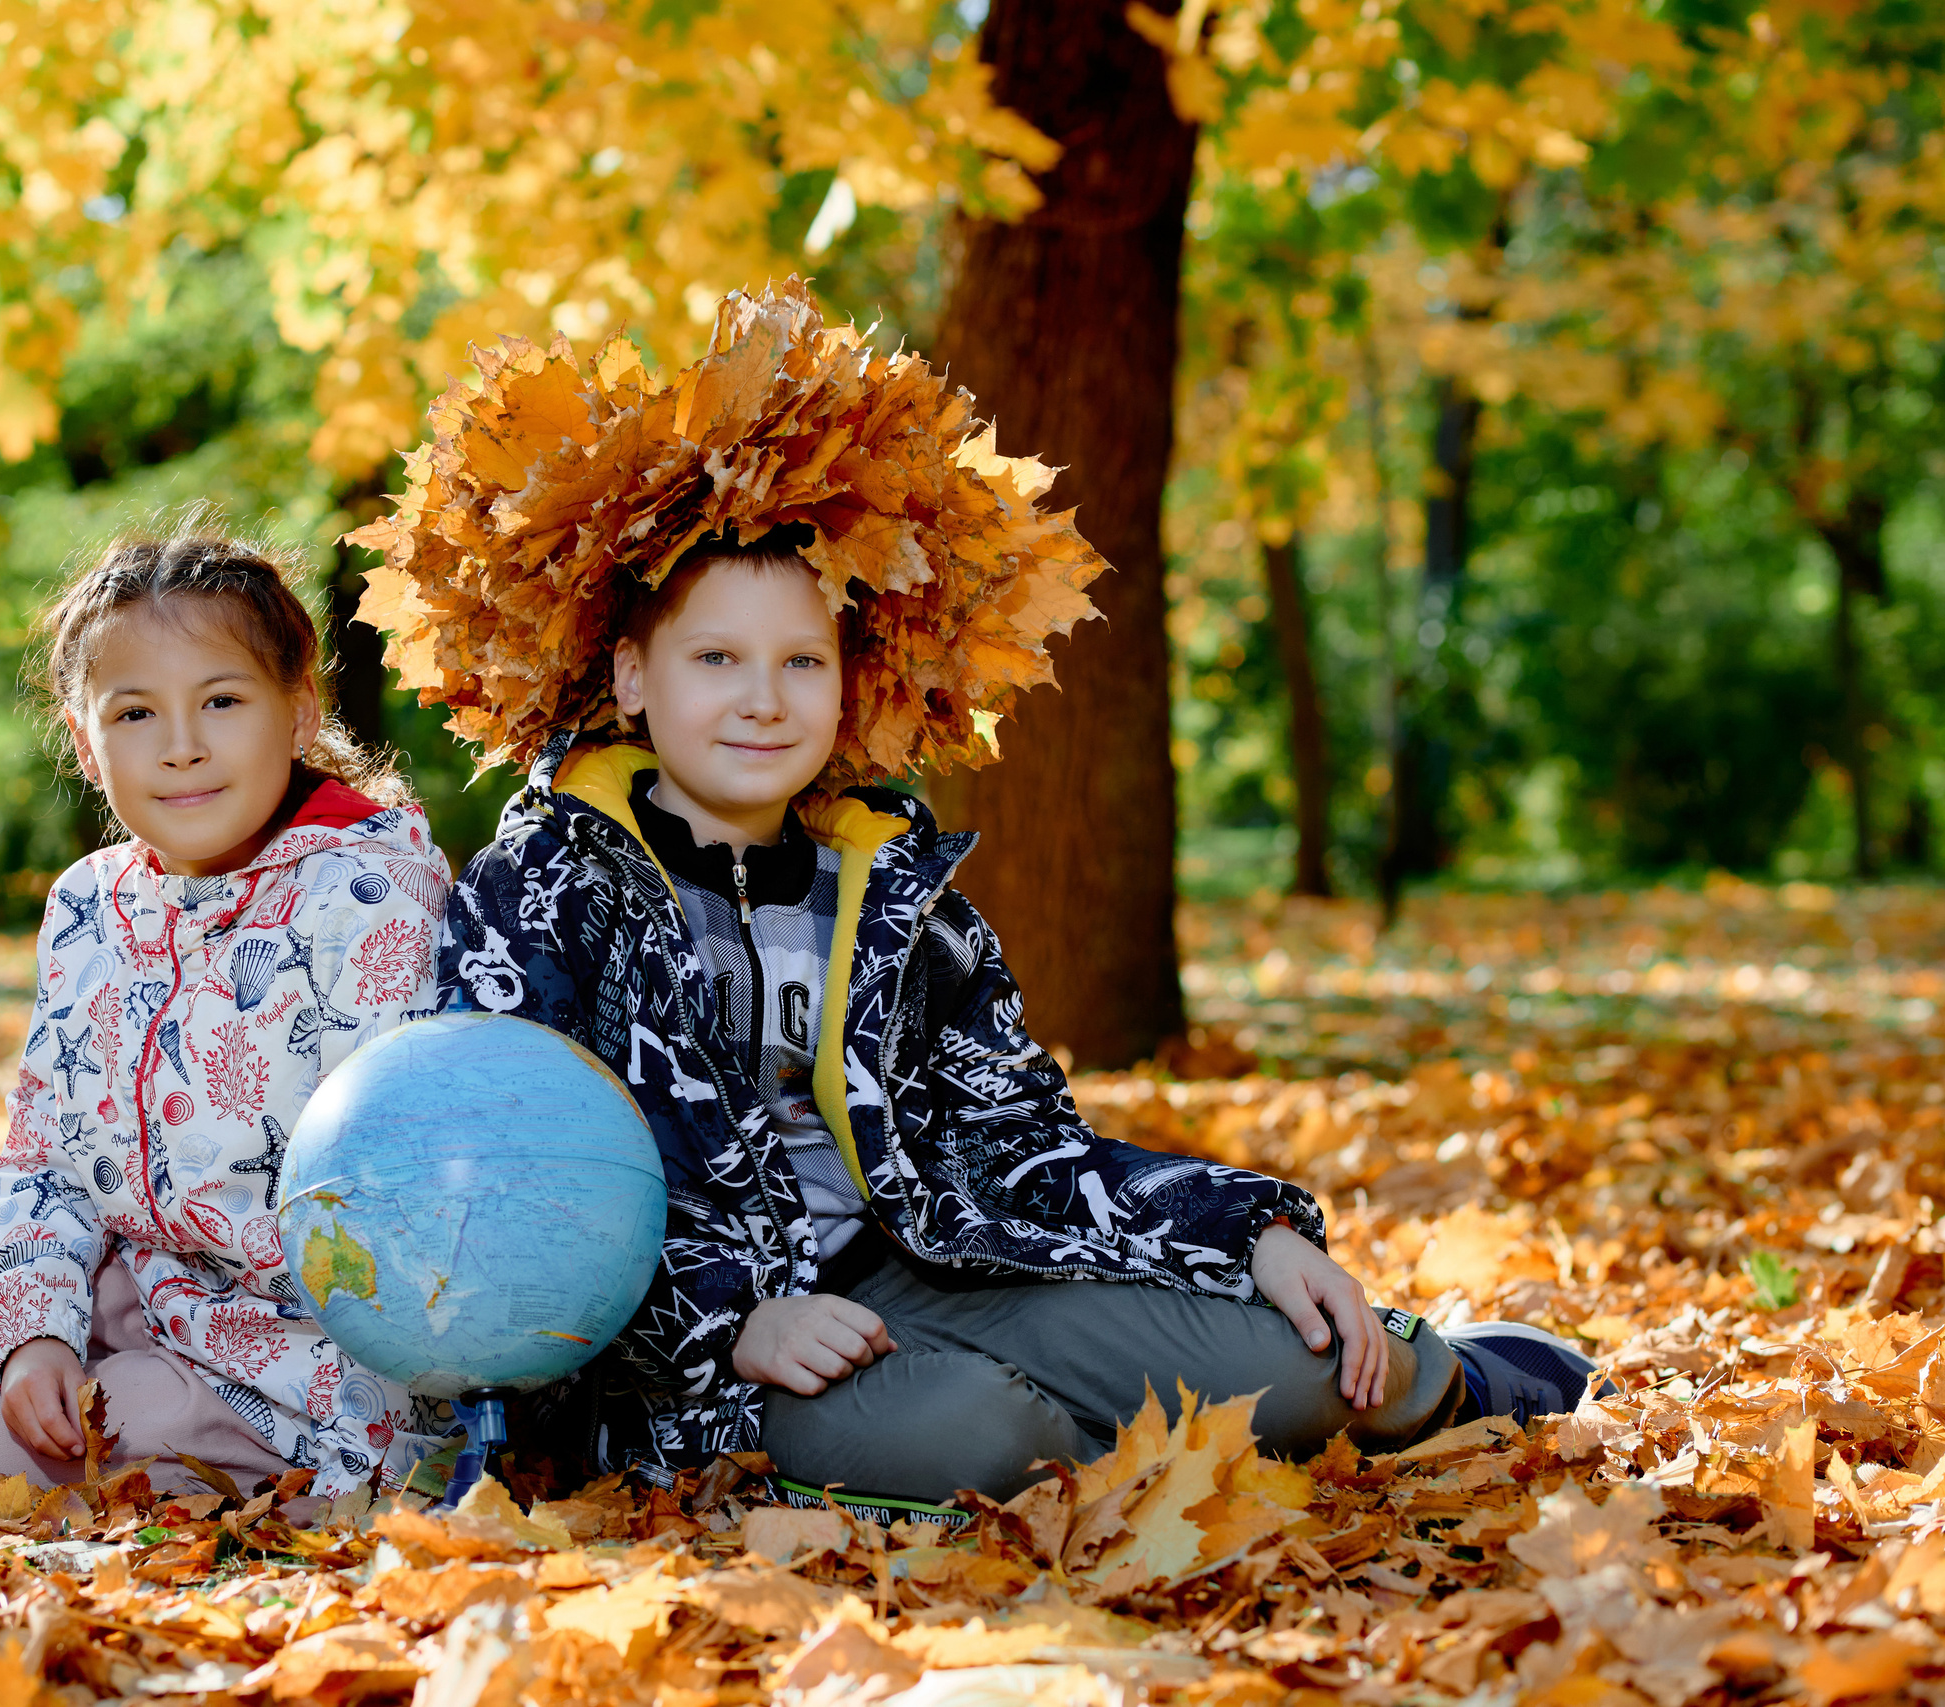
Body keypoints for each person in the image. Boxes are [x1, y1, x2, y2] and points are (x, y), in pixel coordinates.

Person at [355, 282, 1600, 1507]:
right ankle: (1013, 1448)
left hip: (938, 1270)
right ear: (630, 676)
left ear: (850, 683)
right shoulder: (541, 889)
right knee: (981, 1436)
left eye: (801, 661)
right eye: (715, 659)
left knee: (1338, 1366)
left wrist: (1242, 1233)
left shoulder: (892, 893)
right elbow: (525, 1185)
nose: (761, 698)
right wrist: (731, 1322)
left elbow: (1023, 1142)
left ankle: (1456, 1378)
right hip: (702, 1351)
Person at [0, 517, 450, 1509]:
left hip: (280, 1362)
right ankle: (33, 1361)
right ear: (86, 744)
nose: (180, 748)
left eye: (221, 701)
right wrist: (36, 1325)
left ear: (298, 717)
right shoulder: (92, 904)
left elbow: (396, 1208)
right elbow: (45, 1149)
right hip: (131, 1279)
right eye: (135, 714)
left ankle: (140, 1435)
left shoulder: (370, 898)